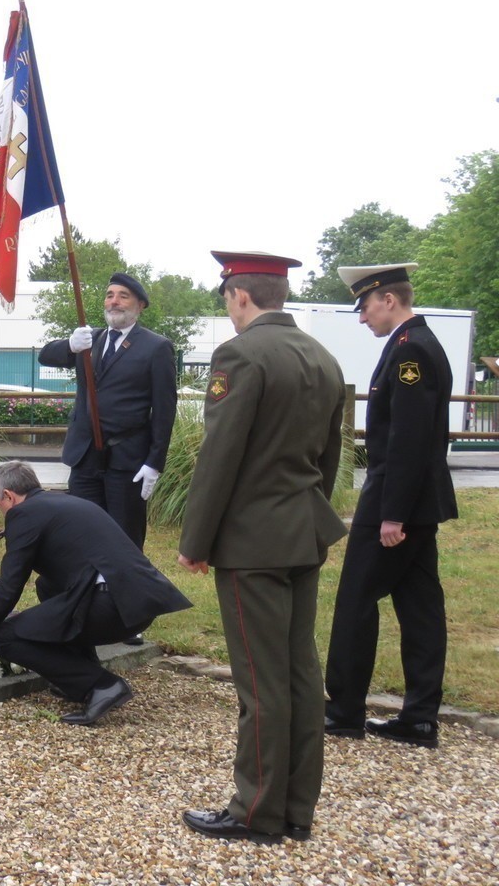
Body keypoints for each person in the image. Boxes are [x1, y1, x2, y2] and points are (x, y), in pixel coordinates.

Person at [177, 251, 347, 845]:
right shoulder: (321, 357)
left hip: (253, 543)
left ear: (240, 296)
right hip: (303, 531)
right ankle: (296, 807)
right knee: (300, 675)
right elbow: (329, 456)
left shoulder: (241, 355)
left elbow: (220, 455)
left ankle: (254, 811)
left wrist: (195, 541)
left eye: (227, 298)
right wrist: (309, 513)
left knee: (260, 682)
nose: (228, 309)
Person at [0, 461, 191, 726]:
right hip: (139, 604)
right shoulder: (68, 502)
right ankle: (83, 676)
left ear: (9, 496)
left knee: (7, 638)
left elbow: (8, 589)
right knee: (47, 586)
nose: (1, 513)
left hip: (110, 608)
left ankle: (102, 685)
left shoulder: (23, 514)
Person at [323, 264, 457, 750]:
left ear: (388, 300)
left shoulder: (411, 350)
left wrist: (392, 514)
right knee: (420, 606)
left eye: (363, 307)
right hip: (415, 499)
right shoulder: (410, 345)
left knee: (356, 600)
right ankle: (419, 717)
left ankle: (343, 711)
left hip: (398, 500)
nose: (362, 318)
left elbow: (408, 439)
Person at [37, 272, 177, 556]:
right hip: (85, 456)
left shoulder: (155, 347)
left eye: (123, 297)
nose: (114, 302)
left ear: (140, 306)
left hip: (127, 460)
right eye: (110, 295)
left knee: (124, 537)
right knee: (82, 530)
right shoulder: (91, 340)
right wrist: (69, 345)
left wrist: (154, 462)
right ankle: (87, 592)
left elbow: (164, 410)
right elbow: (45, 356)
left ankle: (124, 595)